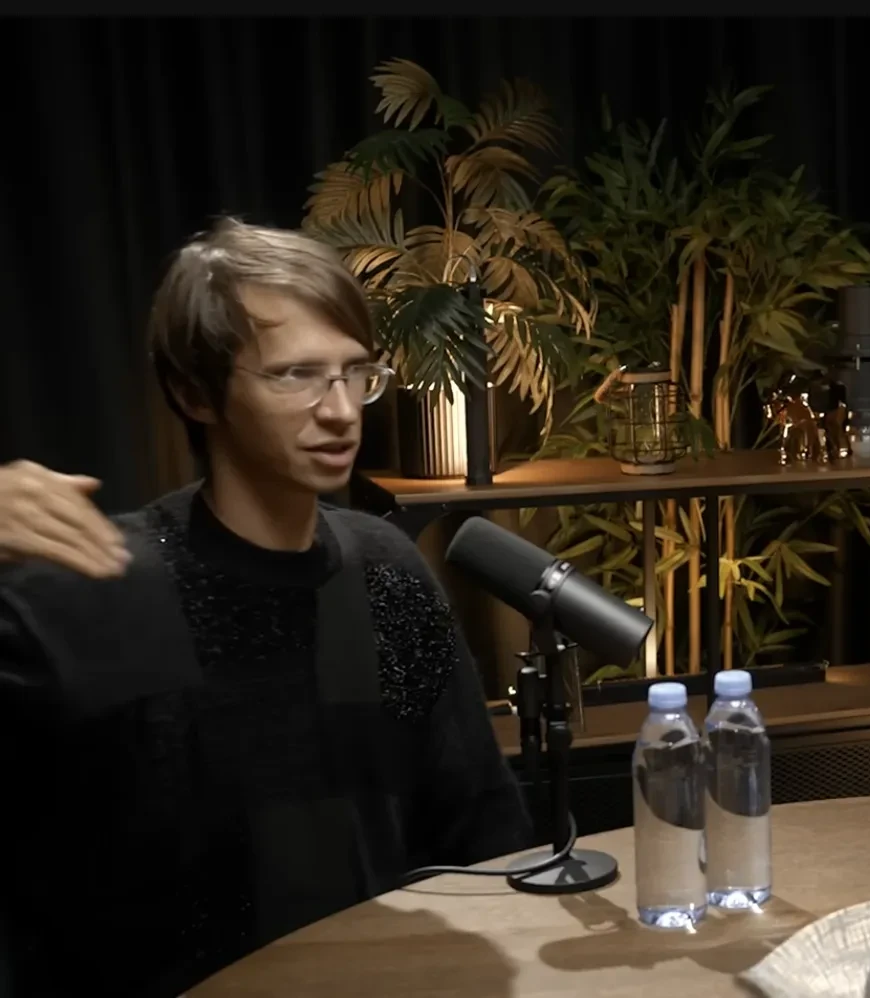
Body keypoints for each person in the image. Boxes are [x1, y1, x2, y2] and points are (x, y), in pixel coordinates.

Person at [0, 219, 534, 997]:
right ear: (194, 392)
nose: (341, 410)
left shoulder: (384, 573)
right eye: (295, 375)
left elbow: (476, 820)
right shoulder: (90, 586)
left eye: (355, 373)